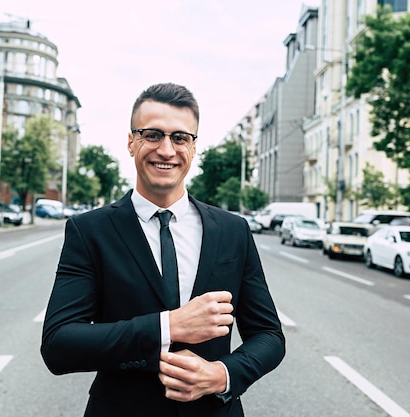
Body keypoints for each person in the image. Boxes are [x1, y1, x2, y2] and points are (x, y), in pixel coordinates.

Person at [41, 82, 285, 417]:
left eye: (180, 137)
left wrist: (222, 375)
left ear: (193, 146)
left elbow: (269, 335)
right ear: (131, 142)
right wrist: (168, 326)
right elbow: (58, 344)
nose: (166, 150)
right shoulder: (89, 231)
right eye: (152, 135)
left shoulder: (233, 231)